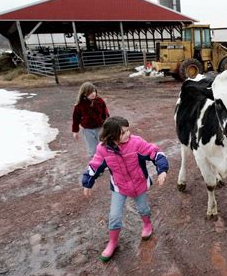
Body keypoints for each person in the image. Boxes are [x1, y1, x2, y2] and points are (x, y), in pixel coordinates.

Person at [81, 116, 169, 262]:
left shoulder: (136, 143)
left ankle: (147, 224)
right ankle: (113, 242)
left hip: (138, 183)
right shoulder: (103, 149)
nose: (127, 134)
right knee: (114, 216)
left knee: (143, 209)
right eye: (123, 133)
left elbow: (155, 152)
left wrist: (162, 170)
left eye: (128, 130)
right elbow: (94, 165)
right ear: (112, 135)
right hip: (119, 187)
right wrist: (87, 182)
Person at [72, 82, 110, 158]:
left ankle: (106, 161)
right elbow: (75, 118)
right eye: (90, 93)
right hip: (87, 130)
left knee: (103, 146)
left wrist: (108, 125)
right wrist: (75, 131)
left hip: (100, 128)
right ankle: (95, 163)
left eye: (94, 91)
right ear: (84, 93)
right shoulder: (80, 105)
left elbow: (105, 114)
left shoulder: (99, 101)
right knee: (92, 148)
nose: (93, 94)